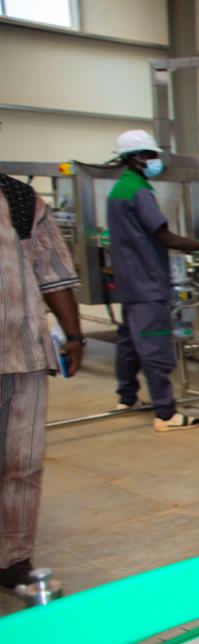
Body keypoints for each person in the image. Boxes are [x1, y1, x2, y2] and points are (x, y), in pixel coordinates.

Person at [0, 173, 83, 589]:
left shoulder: (17, 197)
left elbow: (53, 271)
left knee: (23, 463)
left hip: (24, 352)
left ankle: (13, 558)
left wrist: (74, 333)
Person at [108, 129, 199, 431]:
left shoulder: (119, 189)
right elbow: (165, 236)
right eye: (153, 155)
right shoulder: (139, 191)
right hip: (147, 282)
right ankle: (165, 413)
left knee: (128, 343)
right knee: (155, 346)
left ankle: (126, 398)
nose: (157, 161)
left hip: (129, 282)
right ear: (139, 158)